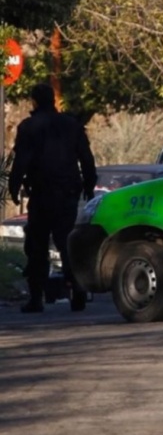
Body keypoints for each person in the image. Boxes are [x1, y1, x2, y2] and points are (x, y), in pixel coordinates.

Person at [8, 83, 97, 313]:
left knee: (37, 246)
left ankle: (36, 297)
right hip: (67, 193)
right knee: (66, 242)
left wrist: (14, 186)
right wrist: (89, 183)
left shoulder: (29, 127)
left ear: (34, 102)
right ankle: (77, 288)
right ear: (53, 101)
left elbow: (21, 162)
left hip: (42, 193)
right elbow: (86, 158)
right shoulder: (71, 125)